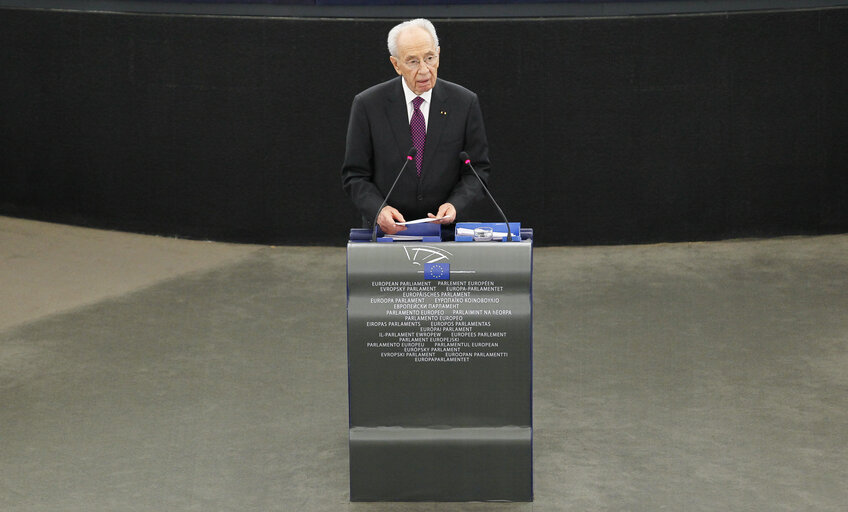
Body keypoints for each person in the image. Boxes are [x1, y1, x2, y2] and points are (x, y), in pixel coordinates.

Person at [342, 18, 491, 236]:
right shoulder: (368, 104)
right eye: (413, 61)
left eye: (430, 58)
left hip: (446, 231)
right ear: (396, 64)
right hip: (388, 232)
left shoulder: (464, 102)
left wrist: (456, 205)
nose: (424, 70)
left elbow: (477, 169)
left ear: (438, 54)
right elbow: (355, 175)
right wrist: (379, 210)